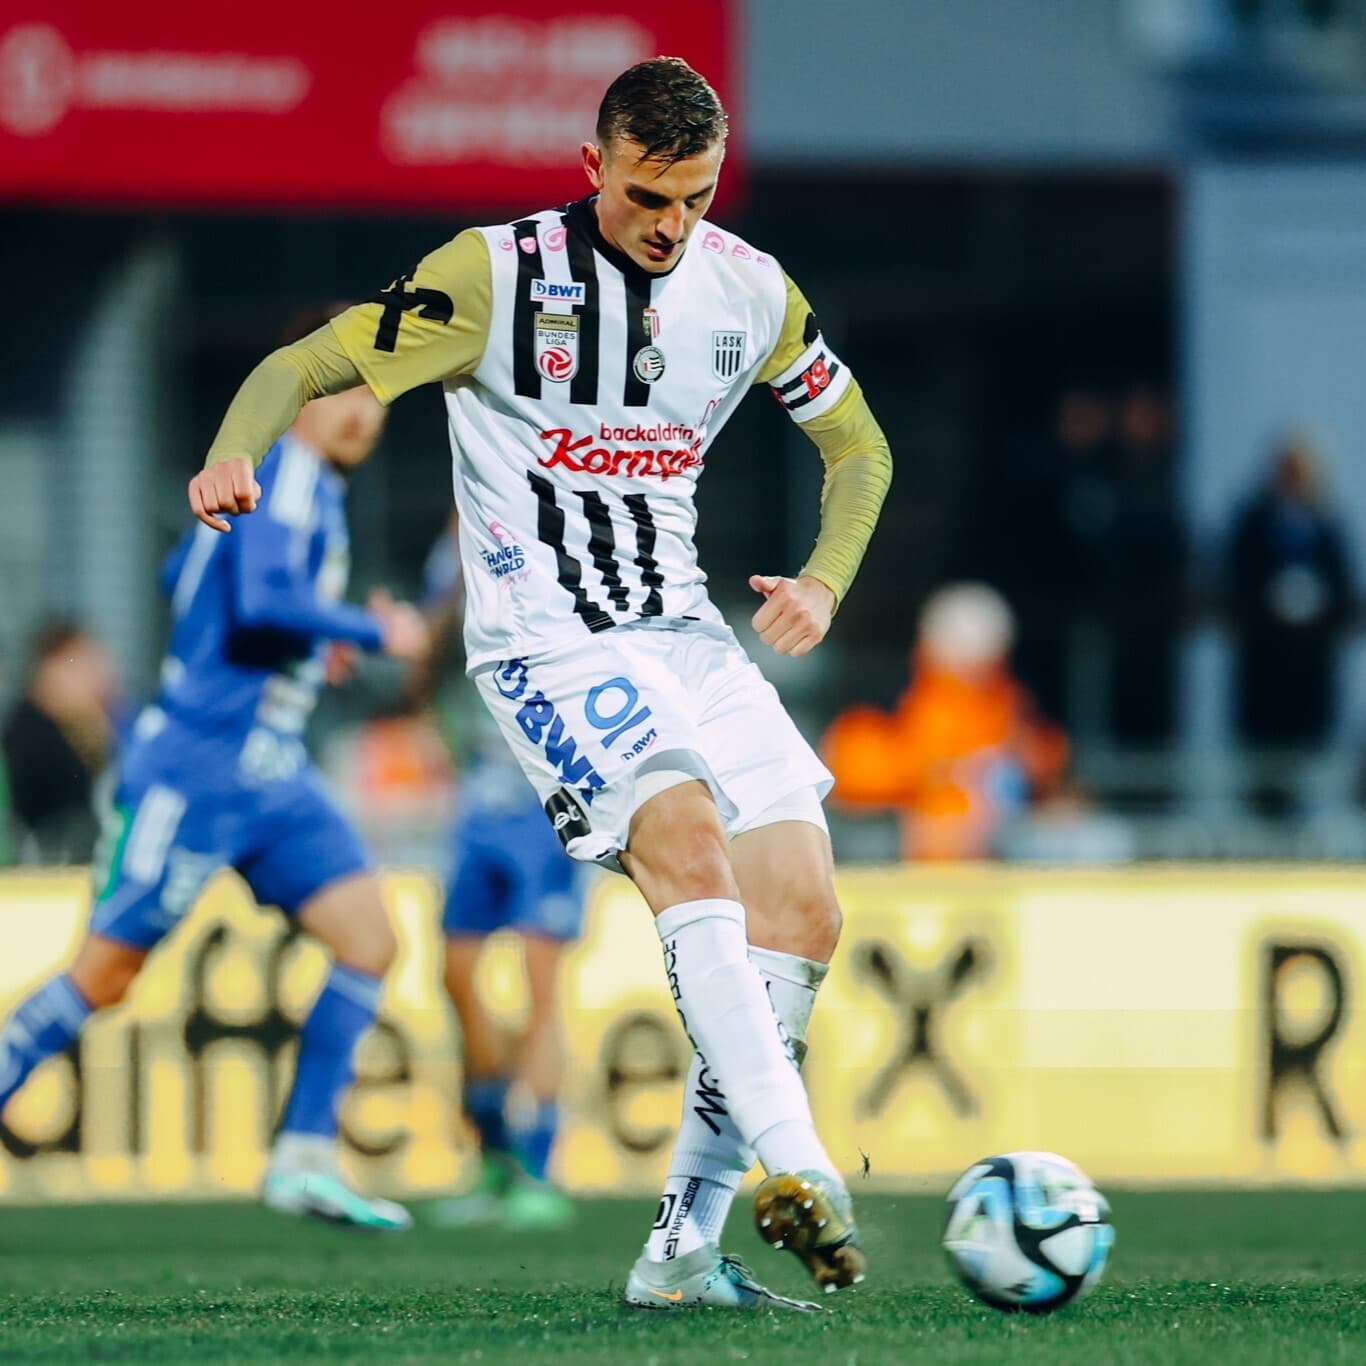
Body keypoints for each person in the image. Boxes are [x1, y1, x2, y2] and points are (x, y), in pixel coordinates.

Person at [187, 58, 892, 1311]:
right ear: (591, 167)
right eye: (645, 196)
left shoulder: (749, 291)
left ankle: (680, 1251)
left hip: (685, 633)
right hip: (548, 642)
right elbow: (307, 365)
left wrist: (825, 582)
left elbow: (859, 447)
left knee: (803, 909)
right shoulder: (495, 276)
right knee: (688, 846)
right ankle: (801, 1163)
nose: (670, 224)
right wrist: (231, 449)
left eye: (694, 196)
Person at [0, 311, 431, 1230]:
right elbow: (262, 596)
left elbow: (183, 575)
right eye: (346, 389)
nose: (364, 412)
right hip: (196, 768)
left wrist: (304, 649)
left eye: (379, 395)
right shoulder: (281, 468)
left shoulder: (292, 482)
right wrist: (368, 628)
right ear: (302, 391)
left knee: (368, 940)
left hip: (272, 771)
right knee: (104, 976)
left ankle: (303, 1160)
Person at [410, 514, 588, 1232]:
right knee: (455, 975)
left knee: (541, 985)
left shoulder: (559, 526)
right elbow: (423, 663)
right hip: (480, 800)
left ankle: (536, 1169)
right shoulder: (450, 546)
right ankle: (493, 1154)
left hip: (551, 796)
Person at [822, 584, 1068, 860]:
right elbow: (850, 773)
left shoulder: (1012, 707)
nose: (972, 669)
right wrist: (936, 773)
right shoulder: (891, 702)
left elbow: (1045, 768)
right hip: (910, 856)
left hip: (990, 856)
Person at [1229, 437, 1354, 749]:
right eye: (1287, 468)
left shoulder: (1327, 525)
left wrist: (1316, 601)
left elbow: (1342, 587)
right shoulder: (1254, 521)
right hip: (1264, 661)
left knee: (1309, 748)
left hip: (1311, 663)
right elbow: (1237, 581)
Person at [1, 622, 120, 863]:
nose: (95, 679)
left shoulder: (68, 730)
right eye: (80, 668)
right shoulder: (33, 739)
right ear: (50, 670)